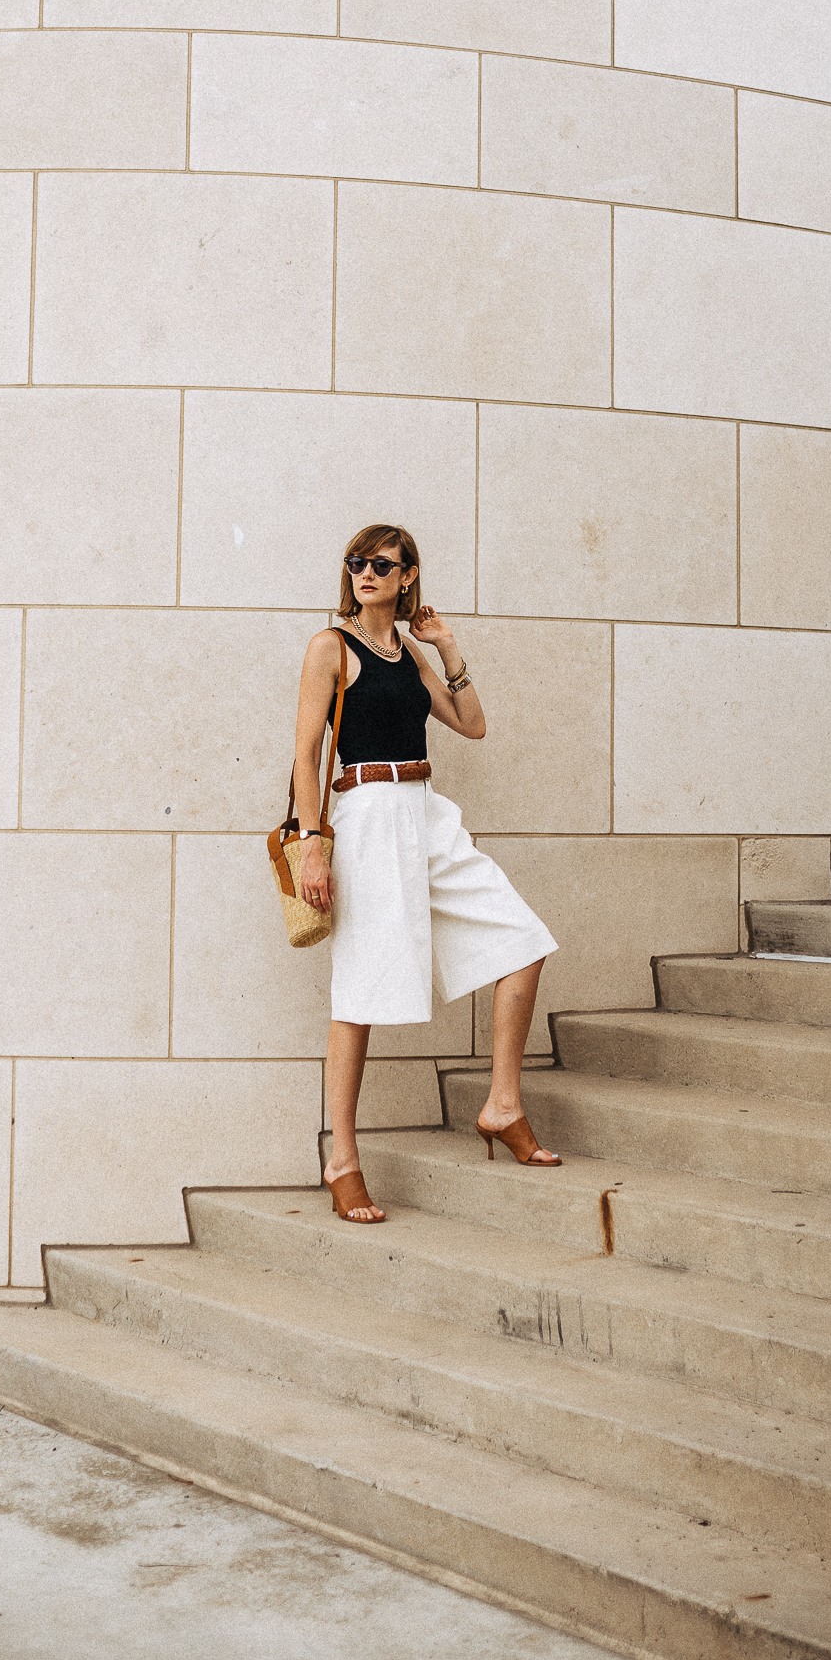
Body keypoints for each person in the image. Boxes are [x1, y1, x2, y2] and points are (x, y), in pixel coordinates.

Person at [292, 523, 560, 1223]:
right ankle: (343, 1161)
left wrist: (446, 647)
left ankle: (503, 1105)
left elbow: (471, 724)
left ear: (408, 575)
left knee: (522, 940)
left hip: (424, 810)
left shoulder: (406, 650)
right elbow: (304, 755)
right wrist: (313, 844)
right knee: (360, 991)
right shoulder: (331, 647)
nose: (366, 573)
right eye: (356, 562)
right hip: (366, 813)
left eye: (381, 563)